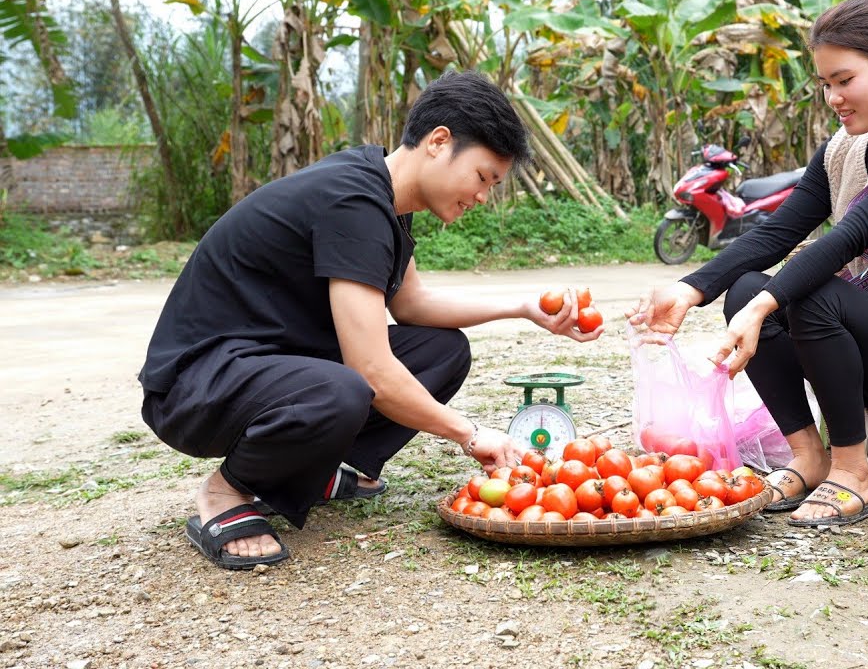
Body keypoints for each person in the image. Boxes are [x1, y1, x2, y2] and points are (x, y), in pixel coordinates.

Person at [138, 70, 602, 570]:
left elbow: (411, 306)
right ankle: (226, 492)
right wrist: (469, 433)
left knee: (442, 350)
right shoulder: (354, 201)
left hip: (266, 370)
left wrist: (522, 307)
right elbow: (371, 370)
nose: (483, 196)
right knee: (348, 386)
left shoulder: (382, 195)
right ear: (438, 142)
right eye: (483, 176)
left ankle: (310, 470)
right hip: (197, 386)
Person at [630, 0, 868, 526]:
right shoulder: (842, 150)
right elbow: (780, 231)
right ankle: (810, 457)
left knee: (808, 292)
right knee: (746, 288)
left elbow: (850, 236)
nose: (832, 97)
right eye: (826, 84)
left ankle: (856, 474)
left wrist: (762, 309)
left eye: (844, 80)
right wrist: (690, 289)